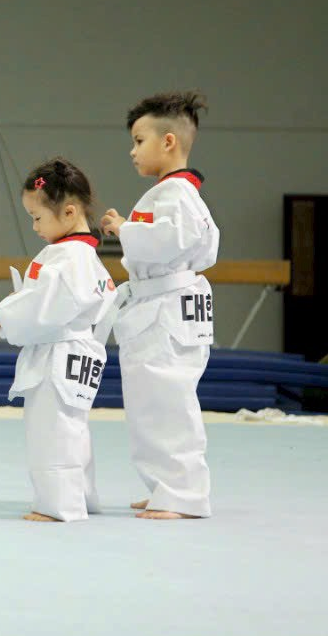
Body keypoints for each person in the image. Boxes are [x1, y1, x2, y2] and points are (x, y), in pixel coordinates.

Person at [98, 91, 218, 519]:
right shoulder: (171, 194)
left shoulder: (177, 195)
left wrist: (125, 228)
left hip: (168, 307)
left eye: (139, 140)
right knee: (152, 404)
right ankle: (168, 487)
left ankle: (184, 495)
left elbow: (173, 241)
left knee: (167, 402)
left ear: (169, 142)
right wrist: (127, 228)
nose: (133, 151)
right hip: (159, 305)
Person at [0, 158, 115, 522]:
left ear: (70, 211)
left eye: (38, 217)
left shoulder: (67, 257)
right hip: (80, 352)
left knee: (51, 431)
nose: (34, 226)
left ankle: (59, 505)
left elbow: (42, 309)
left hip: (60, 355)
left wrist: (4, 315)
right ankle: (81, 496)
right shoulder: (86, 257)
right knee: (73, 429)